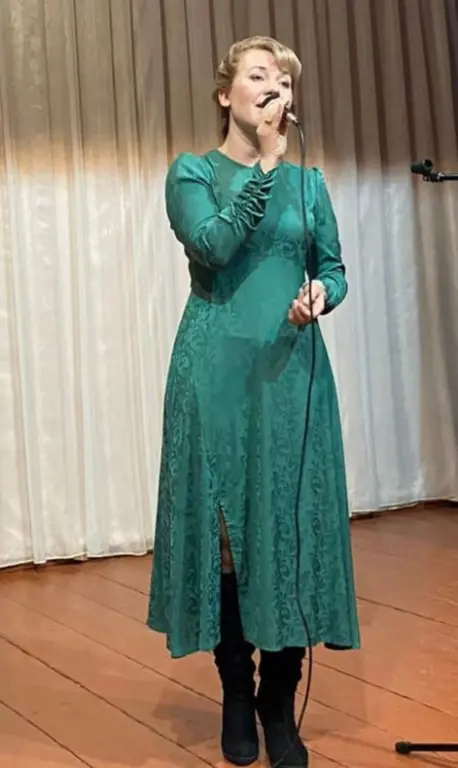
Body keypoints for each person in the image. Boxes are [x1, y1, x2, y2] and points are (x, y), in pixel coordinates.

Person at [147, 35, 360, 768]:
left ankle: (279, 702)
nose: (275, 88)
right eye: (260, 75)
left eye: (285, 80)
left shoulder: (310, 184)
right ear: (225, 94)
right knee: (231, 545)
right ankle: (237, 693)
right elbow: (212, 246)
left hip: (292, 375)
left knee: (289, 531)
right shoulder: (192, 172)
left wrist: (321, 293)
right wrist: (266, 164)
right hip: (216, 380)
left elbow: (334, 268)